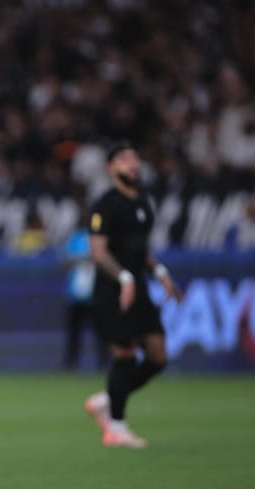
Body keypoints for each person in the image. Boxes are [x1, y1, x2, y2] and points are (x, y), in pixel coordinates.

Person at [83, 142, 182, 448]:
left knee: (158, 356)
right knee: (124, 353)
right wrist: (124, 277)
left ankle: (107, 400)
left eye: (135, 158)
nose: (133, 164)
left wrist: (161, 273)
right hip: (112, 291)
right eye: (125, 159)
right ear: (111, 168)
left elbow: (140, 249)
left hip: (137, 287)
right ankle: (116, 427)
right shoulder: (104, 205)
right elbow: (99, 253)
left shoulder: (143, 203)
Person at [61, 212, 107, 372]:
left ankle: (104, 364)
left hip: (95, 294)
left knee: (101, 333)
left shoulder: (100, 238)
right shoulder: (76, 237)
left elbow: (104, 259)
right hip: (76, 294)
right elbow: (65, 261)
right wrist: (81, 260)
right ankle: (70, 365)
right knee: (74, 333)